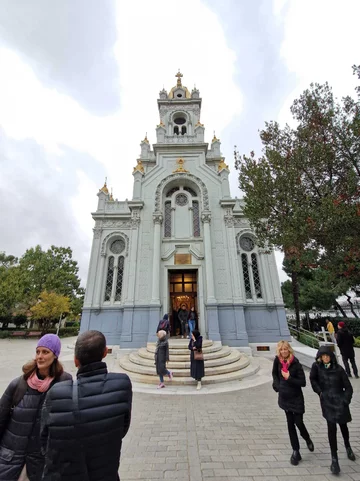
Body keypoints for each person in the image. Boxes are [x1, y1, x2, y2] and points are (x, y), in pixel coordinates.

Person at [41, 330, 132, 481]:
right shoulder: (122, 384)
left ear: (76, 360)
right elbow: (122, 428)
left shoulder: (56, 392)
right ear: (105, 352)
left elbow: (45, 440)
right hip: (105, 471)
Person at [0, 334, 72, 481]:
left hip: (40, 461)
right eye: (38, 351)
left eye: (45, 352)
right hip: (10, 458)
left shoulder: (64, 384)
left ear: (55, 355)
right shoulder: (19, 384)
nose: (40, 356)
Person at [310, 345, 355, 475]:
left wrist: (345, 401)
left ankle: (348, 446)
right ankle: (334, 459)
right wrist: (320, 393)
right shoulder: (317, 367)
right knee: (331, 429)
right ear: (320, 357)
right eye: (323, 356)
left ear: (331, 357)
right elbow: (313, 379)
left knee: (343, 426)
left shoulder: (339, 369)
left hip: (340, 402)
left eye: (327, 356)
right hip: (327, 402)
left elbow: (349, 388)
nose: (325, 358)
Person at [272, 341, 314, 466]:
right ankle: (296, 451)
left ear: (289, 350)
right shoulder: (277, 361)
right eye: (281, 350)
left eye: (285, 349)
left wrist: (289, 377)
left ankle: (307, 438)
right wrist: (278, 386)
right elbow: (275, 374)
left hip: (296, 398)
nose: (283, 352)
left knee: (299, 422)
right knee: (290, 424)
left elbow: (303, 382)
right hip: (285, 397)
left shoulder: (296, 363)